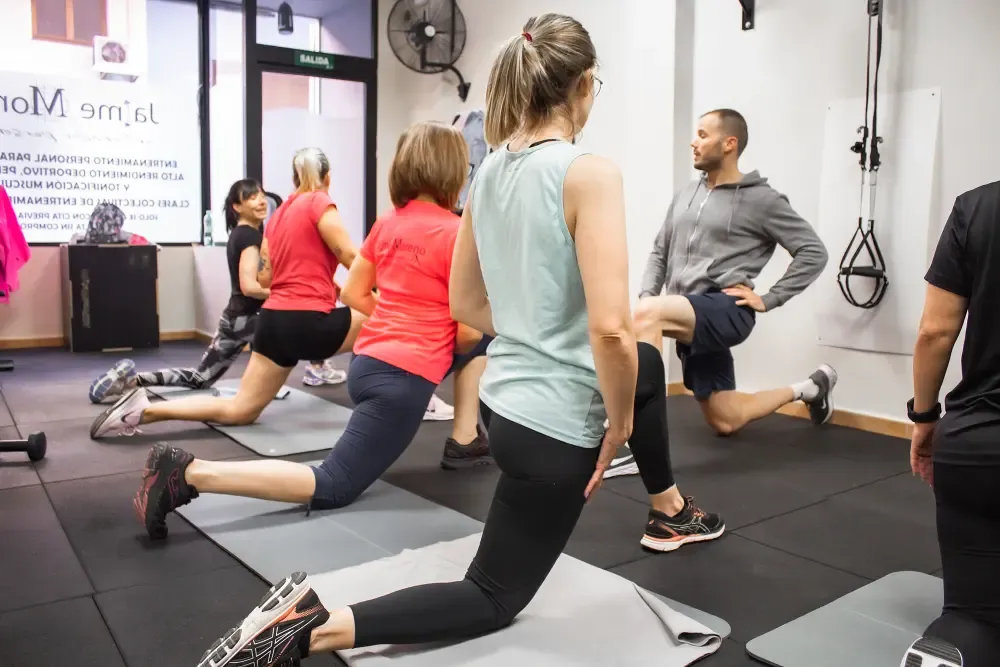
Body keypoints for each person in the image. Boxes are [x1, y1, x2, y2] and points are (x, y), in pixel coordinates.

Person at [190, 15, 725, 667]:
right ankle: (312, 623)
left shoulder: (491, 173)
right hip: (557, 430)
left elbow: (466, 304)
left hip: (503, 414)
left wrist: (538, 332)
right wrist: (615, 424)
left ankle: (668, 508)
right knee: (492, 594)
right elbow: (608, 326)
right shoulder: (591, 173)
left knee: (643, 365)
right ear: (584, 86)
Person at [126, 121, 491, 543]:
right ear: (455, 172)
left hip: (366, 365)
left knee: (249, 410)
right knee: (335, 482)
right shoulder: (457, 232)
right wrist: (438, 327)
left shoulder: (387, 222)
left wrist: (397, 314)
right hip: (401, 378)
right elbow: (465, 334)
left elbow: (354, 290)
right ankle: (190, 473)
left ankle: (465, 439)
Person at [604, 108, 837, 478]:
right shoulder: (686, 195)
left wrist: (770, 297)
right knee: (726, 419)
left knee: (645, 316)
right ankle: (809, 388)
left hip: (726, 309)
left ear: (729, 144)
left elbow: (813, 251)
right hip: (687, 313)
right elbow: (659, 251)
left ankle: (631, 444)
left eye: (702, 134)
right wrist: (650, 295)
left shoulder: (762, 200)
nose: (693, 142)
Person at [901, 180, 1000, 667]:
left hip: (978, 443)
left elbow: (935, 330)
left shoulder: (978, 206)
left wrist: (924, 417)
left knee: (973, 617)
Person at [86, 179, 292, 402]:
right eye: (252, 197)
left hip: (234, 318)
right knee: (302, 335)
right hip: (249, 319)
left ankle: (132, 380)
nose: (261, 201)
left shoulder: (239, 234)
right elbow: (249, 287)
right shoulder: (250, 237)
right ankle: (314, 369)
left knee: (199, 378)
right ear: (237, 206)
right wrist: (286, 295)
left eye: (261, 195)